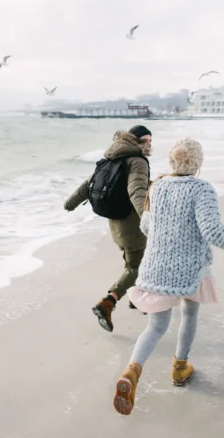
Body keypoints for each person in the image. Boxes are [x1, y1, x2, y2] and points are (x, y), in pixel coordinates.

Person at [112, 138, 224, 416]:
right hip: (191, 269)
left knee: (156, 326)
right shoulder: (202, 190)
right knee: (189, 314)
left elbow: (147, 225)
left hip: (157, 267)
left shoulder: (157, 186)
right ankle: (179, 368)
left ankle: (131, 371)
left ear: (172, 161)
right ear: (198, 163)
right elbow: (213, 232)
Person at [64, 125, 153, 332]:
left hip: (115, 223)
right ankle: (108, 302)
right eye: (146, 140)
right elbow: (136, 191)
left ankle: (136, 299)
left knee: (135, 262)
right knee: (136, 266)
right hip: (133, 225)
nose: (149, 144)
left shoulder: (111, 158)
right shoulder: (137, 161)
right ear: (136, 140)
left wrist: (70, 203)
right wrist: (148, 218)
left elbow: (88, 185)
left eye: (151, 140)